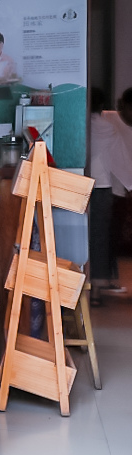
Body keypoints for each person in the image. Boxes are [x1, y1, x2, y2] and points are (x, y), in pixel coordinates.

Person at [89, 87, 132, 304]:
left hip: (75, 184)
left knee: (74, 235)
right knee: (99, 239)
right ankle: (96, 292)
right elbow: (120, 161)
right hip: (102, 188)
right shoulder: (108, 128)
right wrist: (129, 185)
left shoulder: (78, 126)